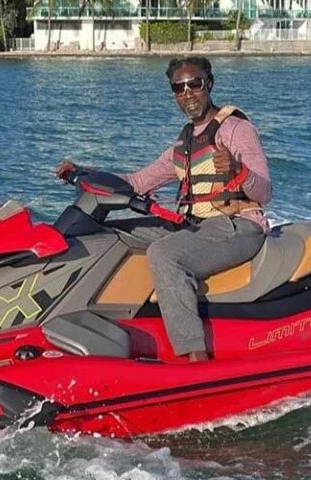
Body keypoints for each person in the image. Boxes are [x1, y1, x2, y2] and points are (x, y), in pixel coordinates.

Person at [57, 56, 271, 362]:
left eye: (194, 84)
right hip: (194, 224)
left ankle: (195, 356)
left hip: (239, 225)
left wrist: (239, 171)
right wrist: (85, 173)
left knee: (165, 254)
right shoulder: (183, 144)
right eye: (178, 88)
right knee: (112, 234)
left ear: (208, 84)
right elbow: (137, 181)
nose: (187, 93)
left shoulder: (236, 130)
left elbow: (265, 191)